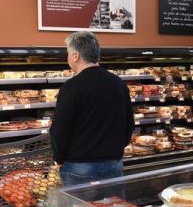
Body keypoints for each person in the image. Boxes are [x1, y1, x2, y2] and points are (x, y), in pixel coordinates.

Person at [50, 31, 134, 186]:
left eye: (68, 53)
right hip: (113, 164)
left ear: (75, 56)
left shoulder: (71, 87)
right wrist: (114, 150)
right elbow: (129, 124)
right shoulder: (118, 83)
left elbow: (60, 129)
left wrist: (58, 158)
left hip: (79, 166)